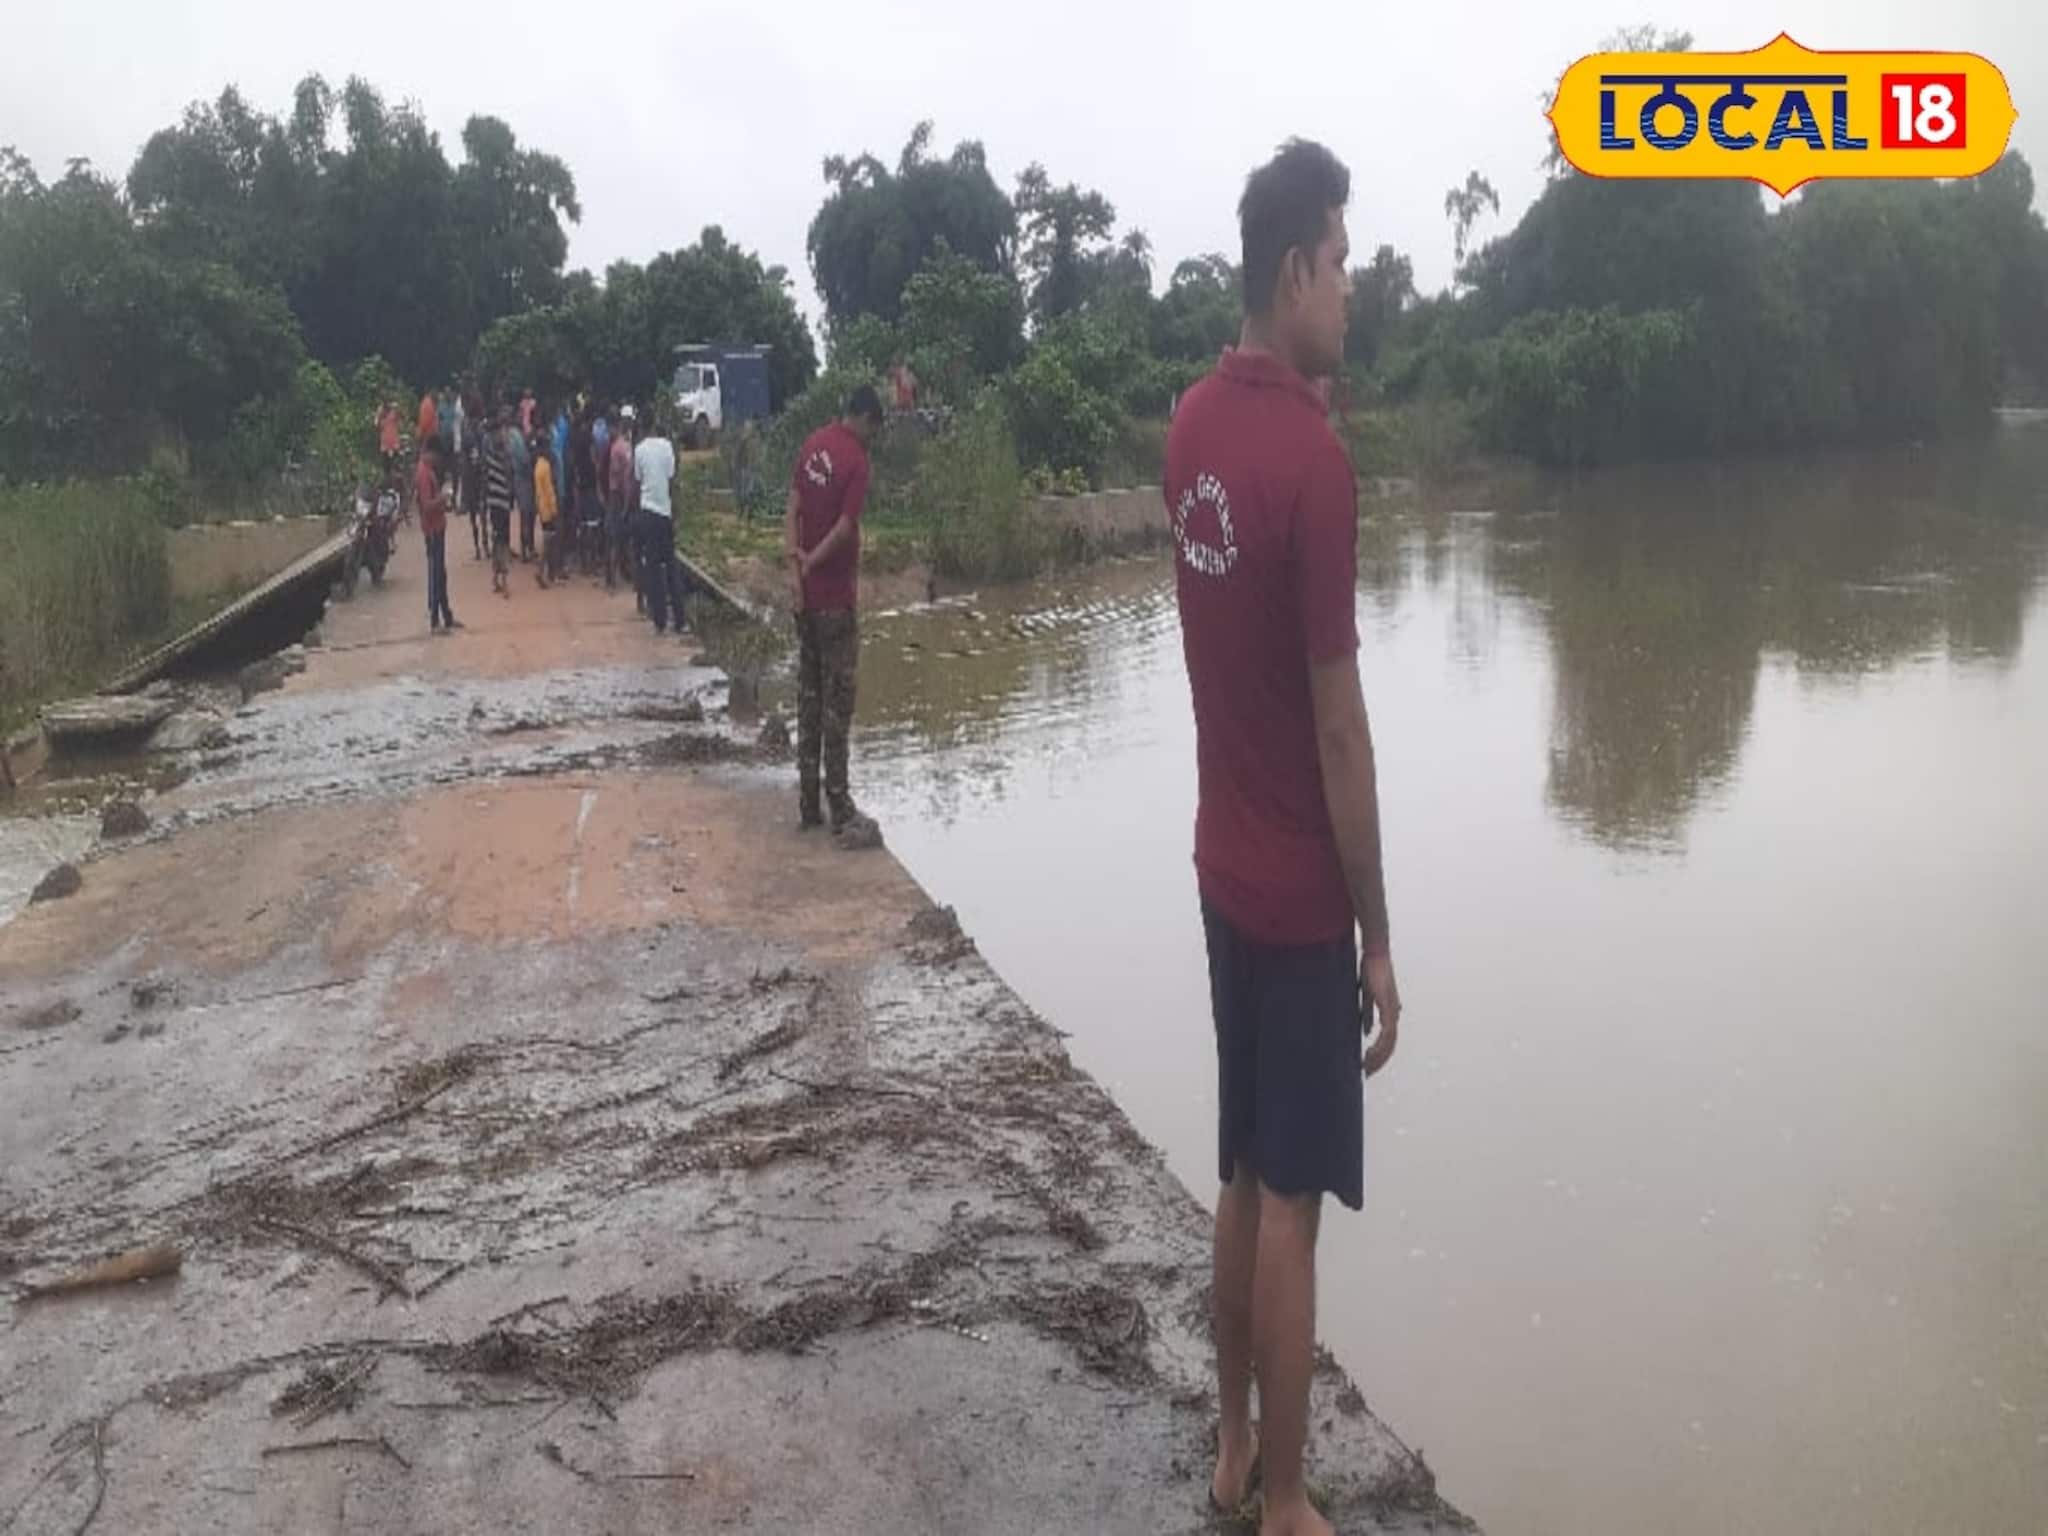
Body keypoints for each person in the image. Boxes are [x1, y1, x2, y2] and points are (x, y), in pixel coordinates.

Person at [1163, 140, 1399, 1536]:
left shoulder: (1193, 427)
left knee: (1244, 1169)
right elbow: (1338, 732)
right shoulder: (1315, 464)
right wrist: (1378, 930)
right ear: (1298, 267)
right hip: (1302, 898)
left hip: (1216, 869)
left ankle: (1235, 1440)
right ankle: (1294, 1502)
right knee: (1293, 1199)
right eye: (1347, 263)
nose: (1354, 288)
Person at [785, 385, 883, 835]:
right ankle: (839, 805)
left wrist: (796, 566)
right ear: (863, 418)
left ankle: (809, 802)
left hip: (805, 601)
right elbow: (845, 529)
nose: (871, 438)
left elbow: (793, 507)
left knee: (808, 697)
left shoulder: (811, 446)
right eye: (873, 429)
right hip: (835, 603)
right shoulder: (857, 463)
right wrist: (814, 560)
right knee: (837, 706)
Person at [632, 413, 681, 634]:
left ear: (642, 428)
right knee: (671, 565)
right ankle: (680, 618)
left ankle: (659, 619)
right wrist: (673, 511)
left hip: (647, 512)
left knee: (652, 567)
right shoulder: (667, 447)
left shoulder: (639, 450)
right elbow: (671, 481)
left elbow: (637, 483)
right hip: (665, 512)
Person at [415, 436, 460, 635]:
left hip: (437, 526)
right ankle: (434, 621)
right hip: (432, 529)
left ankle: (446, 616)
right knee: (435, 574)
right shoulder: (424, 473)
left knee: (440, 574)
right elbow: (426, 505)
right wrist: (442, 498)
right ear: (431, 453)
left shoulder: (427, 470)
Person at [483, 405, 517, 596]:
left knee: (501, 539)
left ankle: (499, 578)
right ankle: (501, 578)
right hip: (498, 503)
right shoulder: (497, 456)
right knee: (501, 539)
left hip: (500, 501)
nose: (502, 435)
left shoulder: (499, 454)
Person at [608, 408, 639, 599]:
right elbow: (619, 477)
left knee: (626, 540)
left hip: (626, 497)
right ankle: (613, 577)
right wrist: (625, 503)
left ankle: (625, 575)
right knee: (617, 538)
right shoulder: (620, 447)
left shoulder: (627, 445)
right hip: (619, 497)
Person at [533, 433, 560, 587]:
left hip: (542, 508)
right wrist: (554, 509)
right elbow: (549, 491)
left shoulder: (538, 465)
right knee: (548, 541)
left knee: (547, 540)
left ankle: (545, 572)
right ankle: (541, 570)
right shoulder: (546, 467)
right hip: (548, 510)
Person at [508, 417, 536, 561]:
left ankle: (527, 548)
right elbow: (524, 460)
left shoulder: (513, 436)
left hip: (520, 479)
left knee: (526, 515)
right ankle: (527, 549)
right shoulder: (517, 438)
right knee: (527, 515)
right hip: (524, 479)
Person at [377, 400, 402, 477]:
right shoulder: (380, 413)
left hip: (394, 443)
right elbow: (376, 425)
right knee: (386, 468)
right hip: (385, 445)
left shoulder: (393, 412)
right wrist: (379, 414)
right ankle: (388, 482)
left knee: (395, 465)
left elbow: (399, 419)